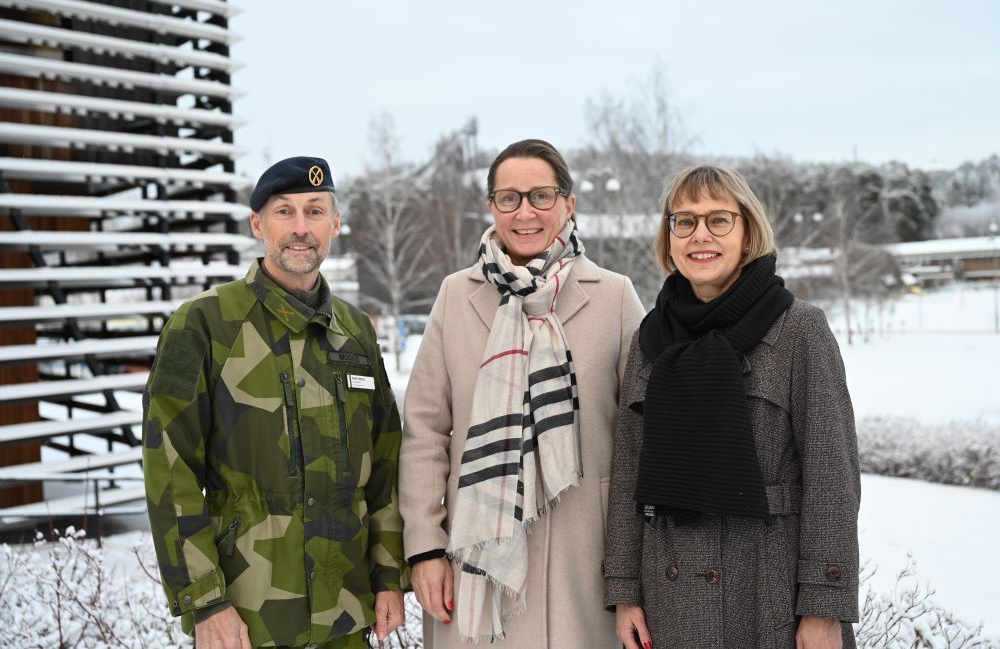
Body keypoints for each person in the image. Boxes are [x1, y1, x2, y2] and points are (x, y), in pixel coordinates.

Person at [142, 156, 408, 648]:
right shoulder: (202, 325)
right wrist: (205, 602)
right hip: (247, 618)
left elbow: (386, 463)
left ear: (336, 223)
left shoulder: (356, 333)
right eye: (284, 212)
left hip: (347, 615)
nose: (301, 228)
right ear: (257, 224)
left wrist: (389, 574)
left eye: (315, 211)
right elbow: (169, 470)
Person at [399, 139, 645, 647]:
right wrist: (425, 549)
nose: (525, 212)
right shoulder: (455, 294)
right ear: (492, 206)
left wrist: (631, 572)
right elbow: (425, 430)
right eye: (509, 198)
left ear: (569, 204)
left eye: (541, 196)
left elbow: (642, 438)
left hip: (586, 561)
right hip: (473, 563)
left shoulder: (616, 297)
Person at [604, 164, 860, 648]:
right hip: (668, 599)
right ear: (669, 237)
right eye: (684, 221)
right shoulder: (650, 338)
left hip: (771, 596)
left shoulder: (799, 329)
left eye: (718, 220)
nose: (700, 235)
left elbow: (833, 478)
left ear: (747, 233)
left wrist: (824, 606)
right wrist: (624, 592)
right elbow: (627, 475)